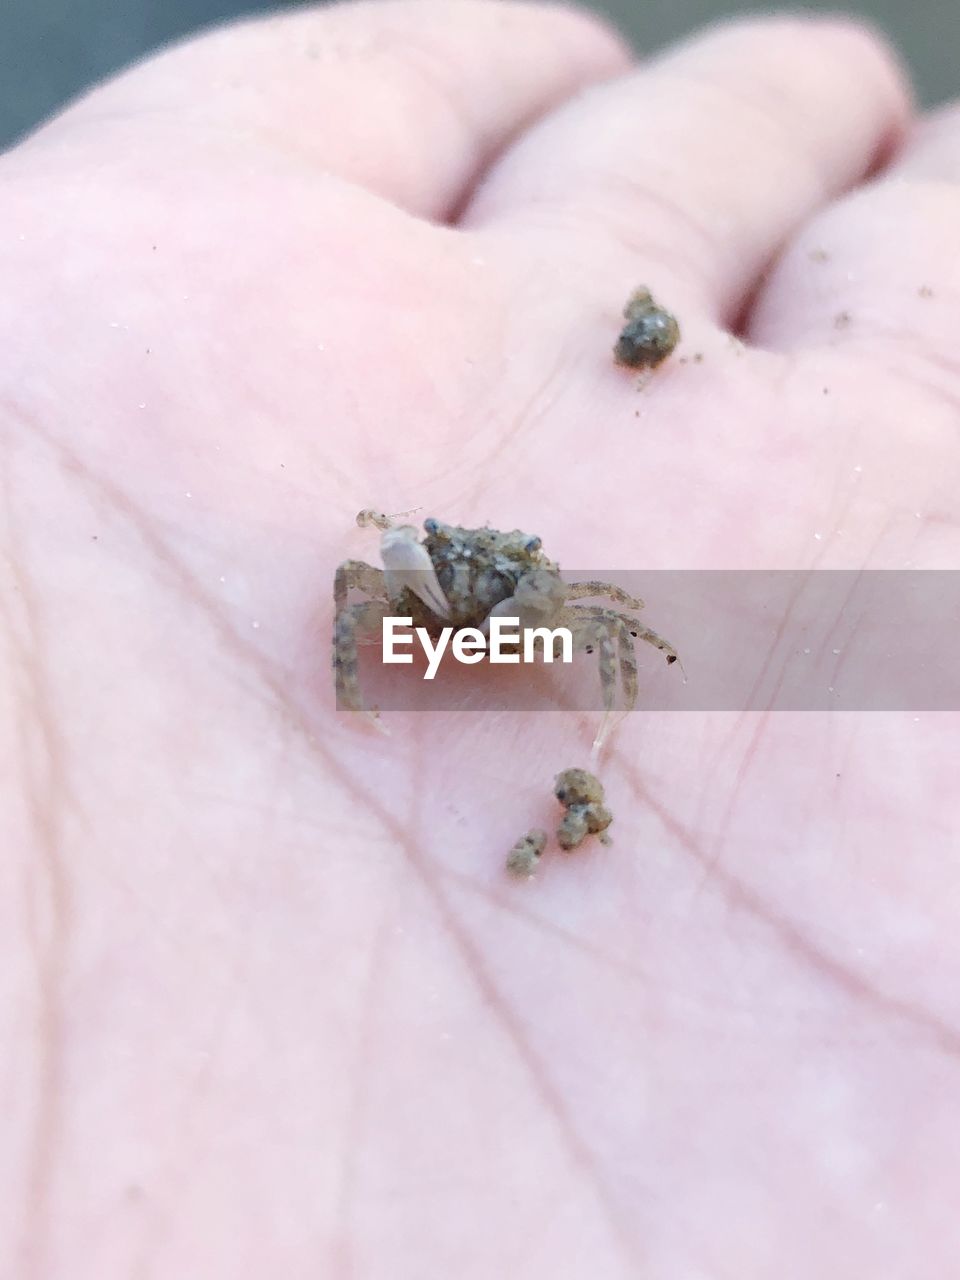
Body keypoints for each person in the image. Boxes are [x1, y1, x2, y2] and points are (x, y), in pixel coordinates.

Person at [2, 3, 957, 1273]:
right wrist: (356, 670)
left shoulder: (544, 596)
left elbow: (614, 628)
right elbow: (360, 572)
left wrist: (601, 718)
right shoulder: (407, 566)